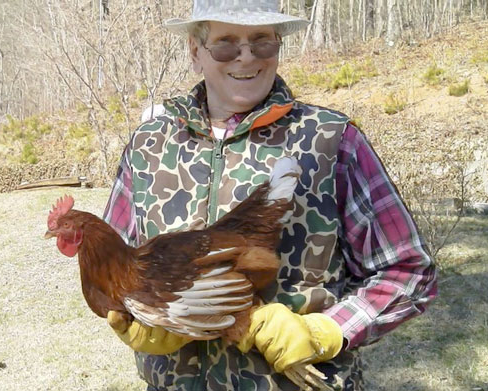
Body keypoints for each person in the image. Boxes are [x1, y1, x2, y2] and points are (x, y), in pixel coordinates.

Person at [102, 1, 438, 390]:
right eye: (226, 44)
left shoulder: (330, 140)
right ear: (196, 52)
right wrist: (135, 316)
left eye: (262, 42)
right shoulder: (150, 145)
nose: (246, 57)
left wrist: (325, 330)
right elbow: (113, 263)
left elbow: (408, 271)